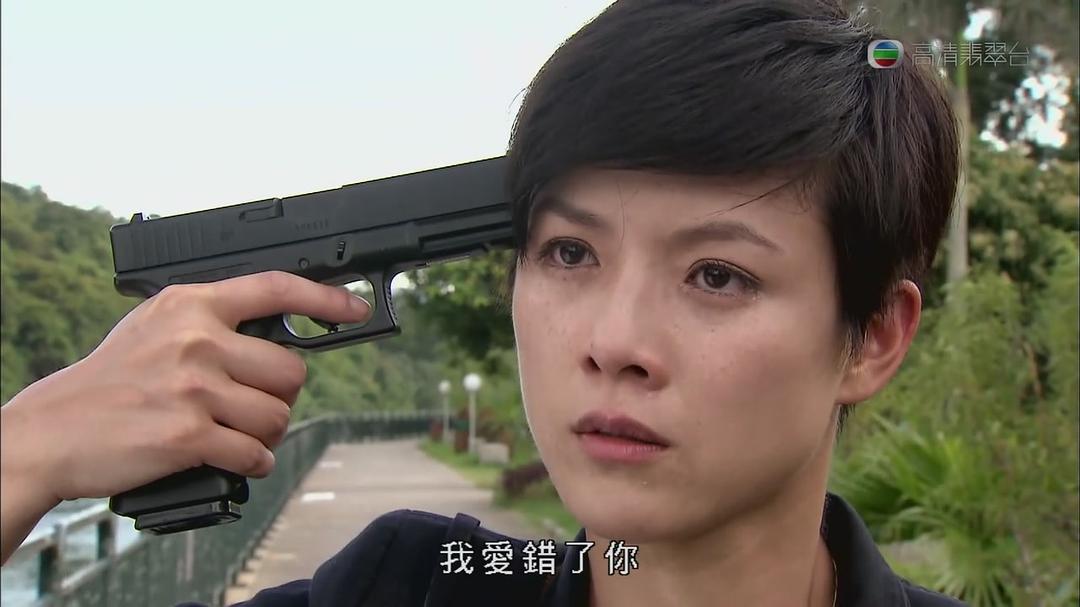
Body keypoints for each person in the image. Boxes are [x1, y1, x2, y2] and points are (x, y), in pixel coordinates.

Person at [0, 0, 969, 605]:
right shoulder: (407, 587)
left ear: (872, 337)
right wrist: (26, 453)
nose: (614, 341)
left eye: (718, 274)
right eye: (570, 252)